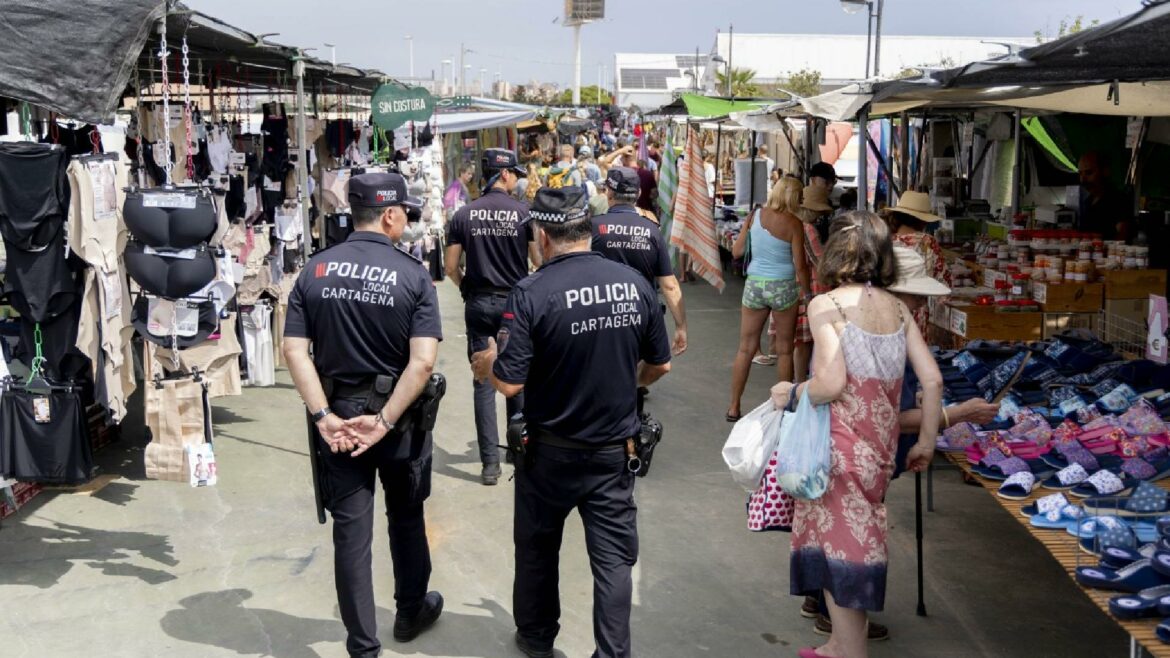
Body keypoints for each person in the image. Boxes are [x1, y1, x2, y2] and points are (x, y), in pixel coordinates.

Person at [470, 186, 672, 658]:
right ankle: (612, 652)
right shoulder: (633, 284)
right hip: (614, 451)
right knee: (614, 563)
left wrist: (488, 364)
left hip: (549, 453)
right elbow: (660, 364)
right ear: (590, 229)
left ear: (541, 234)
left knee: (538, 551)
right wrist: (628, 384)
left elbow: (509, 384)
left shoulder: (531, 291)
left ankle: (538, 640)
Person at [283, 172, 444, 658]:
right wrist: (387, 420)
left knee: (351, 533)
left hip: (339, 422)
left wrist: (324, 416)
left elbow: (293, 350)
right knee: (406, 515)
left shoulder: (314, 271)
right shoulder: (414, 274)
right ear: (392, 215)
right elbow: (423, 361)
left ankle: (362, 647)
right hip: (397, 421)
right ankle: (410, 610)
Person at [799, 245, 996, 641]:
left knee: (832, 532)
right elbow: (890, 409)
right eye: (915, 296)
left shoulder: (842, 316)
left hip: (843, 449)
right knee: (852, 543)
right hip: (858, 450)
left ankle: (834, 627)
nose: (919, 305)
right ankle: (840, 630)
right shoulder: (885, 326)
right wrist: (948, 418)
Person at [770, 211, 943, 658]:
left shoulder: (829, 306)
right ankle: (837, 645)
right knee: (858, 544)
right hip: (879, 453)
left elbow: (829, 384)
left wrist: (792, 392)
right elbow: (933, 381)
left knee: (842, 551)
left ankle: (849, 652)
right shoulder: (899, 308)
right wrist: (925, 442)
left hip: (837, 452)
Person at [445, 148, 541, 485]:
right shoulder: (524, 214)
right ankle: (518, 451)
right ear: (503, 174)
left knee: (482, 381)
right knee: (516, 379)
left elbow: (450, 267)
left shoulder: (463, 215)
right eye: (514, 173)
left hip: (480, 303)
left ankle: (490, 465)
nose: (516, 179)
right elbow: (539, 263)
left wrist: (466, 289)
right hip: (515, 306)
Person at [726, 177, 810, 421]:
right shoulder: (794, 223)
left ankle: (733, 407)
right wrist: (808, 293)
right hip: (783, 287)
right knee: (784, 350)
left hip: (754, 286)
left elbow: (737, 251)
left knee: (745, 349)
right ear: (793, 197)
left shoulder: (755, 216)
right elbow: (800, 265)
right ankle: (782, 409)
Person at [591, 167, 687, 355]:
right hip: (641, 313)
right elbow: (669, 285)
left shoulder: (594, 227)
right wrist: (681, 326)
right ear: (639, 193)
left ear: (608, 192)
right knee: (644, 366)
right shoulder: (652, 230)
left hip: (601, 314)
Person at [882, 190, 951, 339]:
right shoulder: (927, 242)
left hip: (886, 306)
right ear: (922, 221)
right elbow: (944, 280)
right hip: (916, 309)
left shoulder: (885, 240)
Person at [793, 183, 834, 383]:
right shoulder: (807, 228)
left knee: (801, 343)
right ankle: (802, 383)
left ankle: (799, 382)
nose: (820, 216)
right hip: (810, 287)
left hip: (797, 284)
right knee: (807, 342)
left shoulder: (792, 224)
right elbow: (819, 260)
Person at [1077, 151, 1131, 240]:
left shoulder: (1119, 201)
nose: (1083, 179)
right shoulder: (1087, 202)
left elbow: (1121, 239)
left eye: (1089, 173)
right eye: (1080, 173)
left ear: (1105, 172)